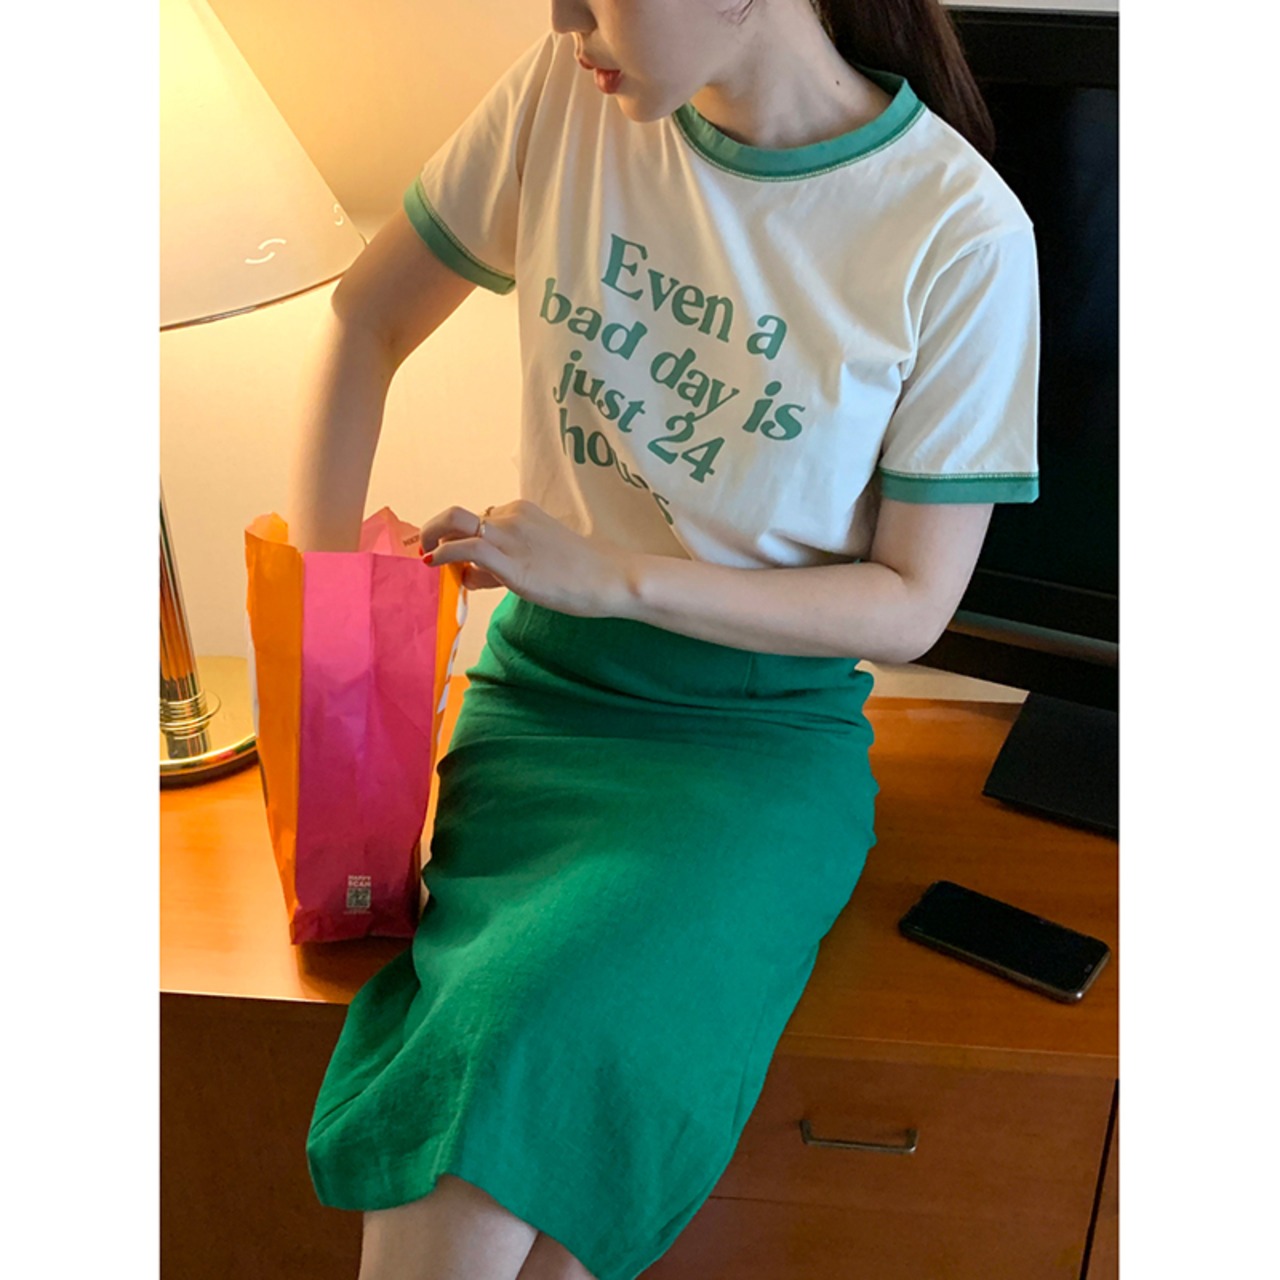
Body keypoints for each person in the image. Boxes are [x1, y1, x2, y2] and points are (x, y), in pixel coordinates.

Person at [289, 1, 1040, 1277]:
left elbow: (910, 603)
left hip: (752, 750)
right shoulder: (562, 98)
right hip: (538, 712)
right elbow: (366, 320)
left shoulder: (957, 229)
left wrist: (620, 578)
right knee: (497, 1082)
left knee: (519, 1058)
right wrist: (333, 636)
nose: (563, 19)